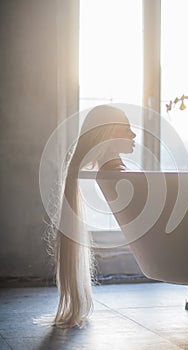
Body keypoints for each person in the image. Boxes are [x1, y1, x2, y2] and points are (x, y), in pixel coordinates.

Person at [54, 105, 136, 328]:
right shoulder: (117, 173)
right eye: (126, 128)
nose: (134, 134)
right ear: (109, 133)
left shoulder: (115, 171)